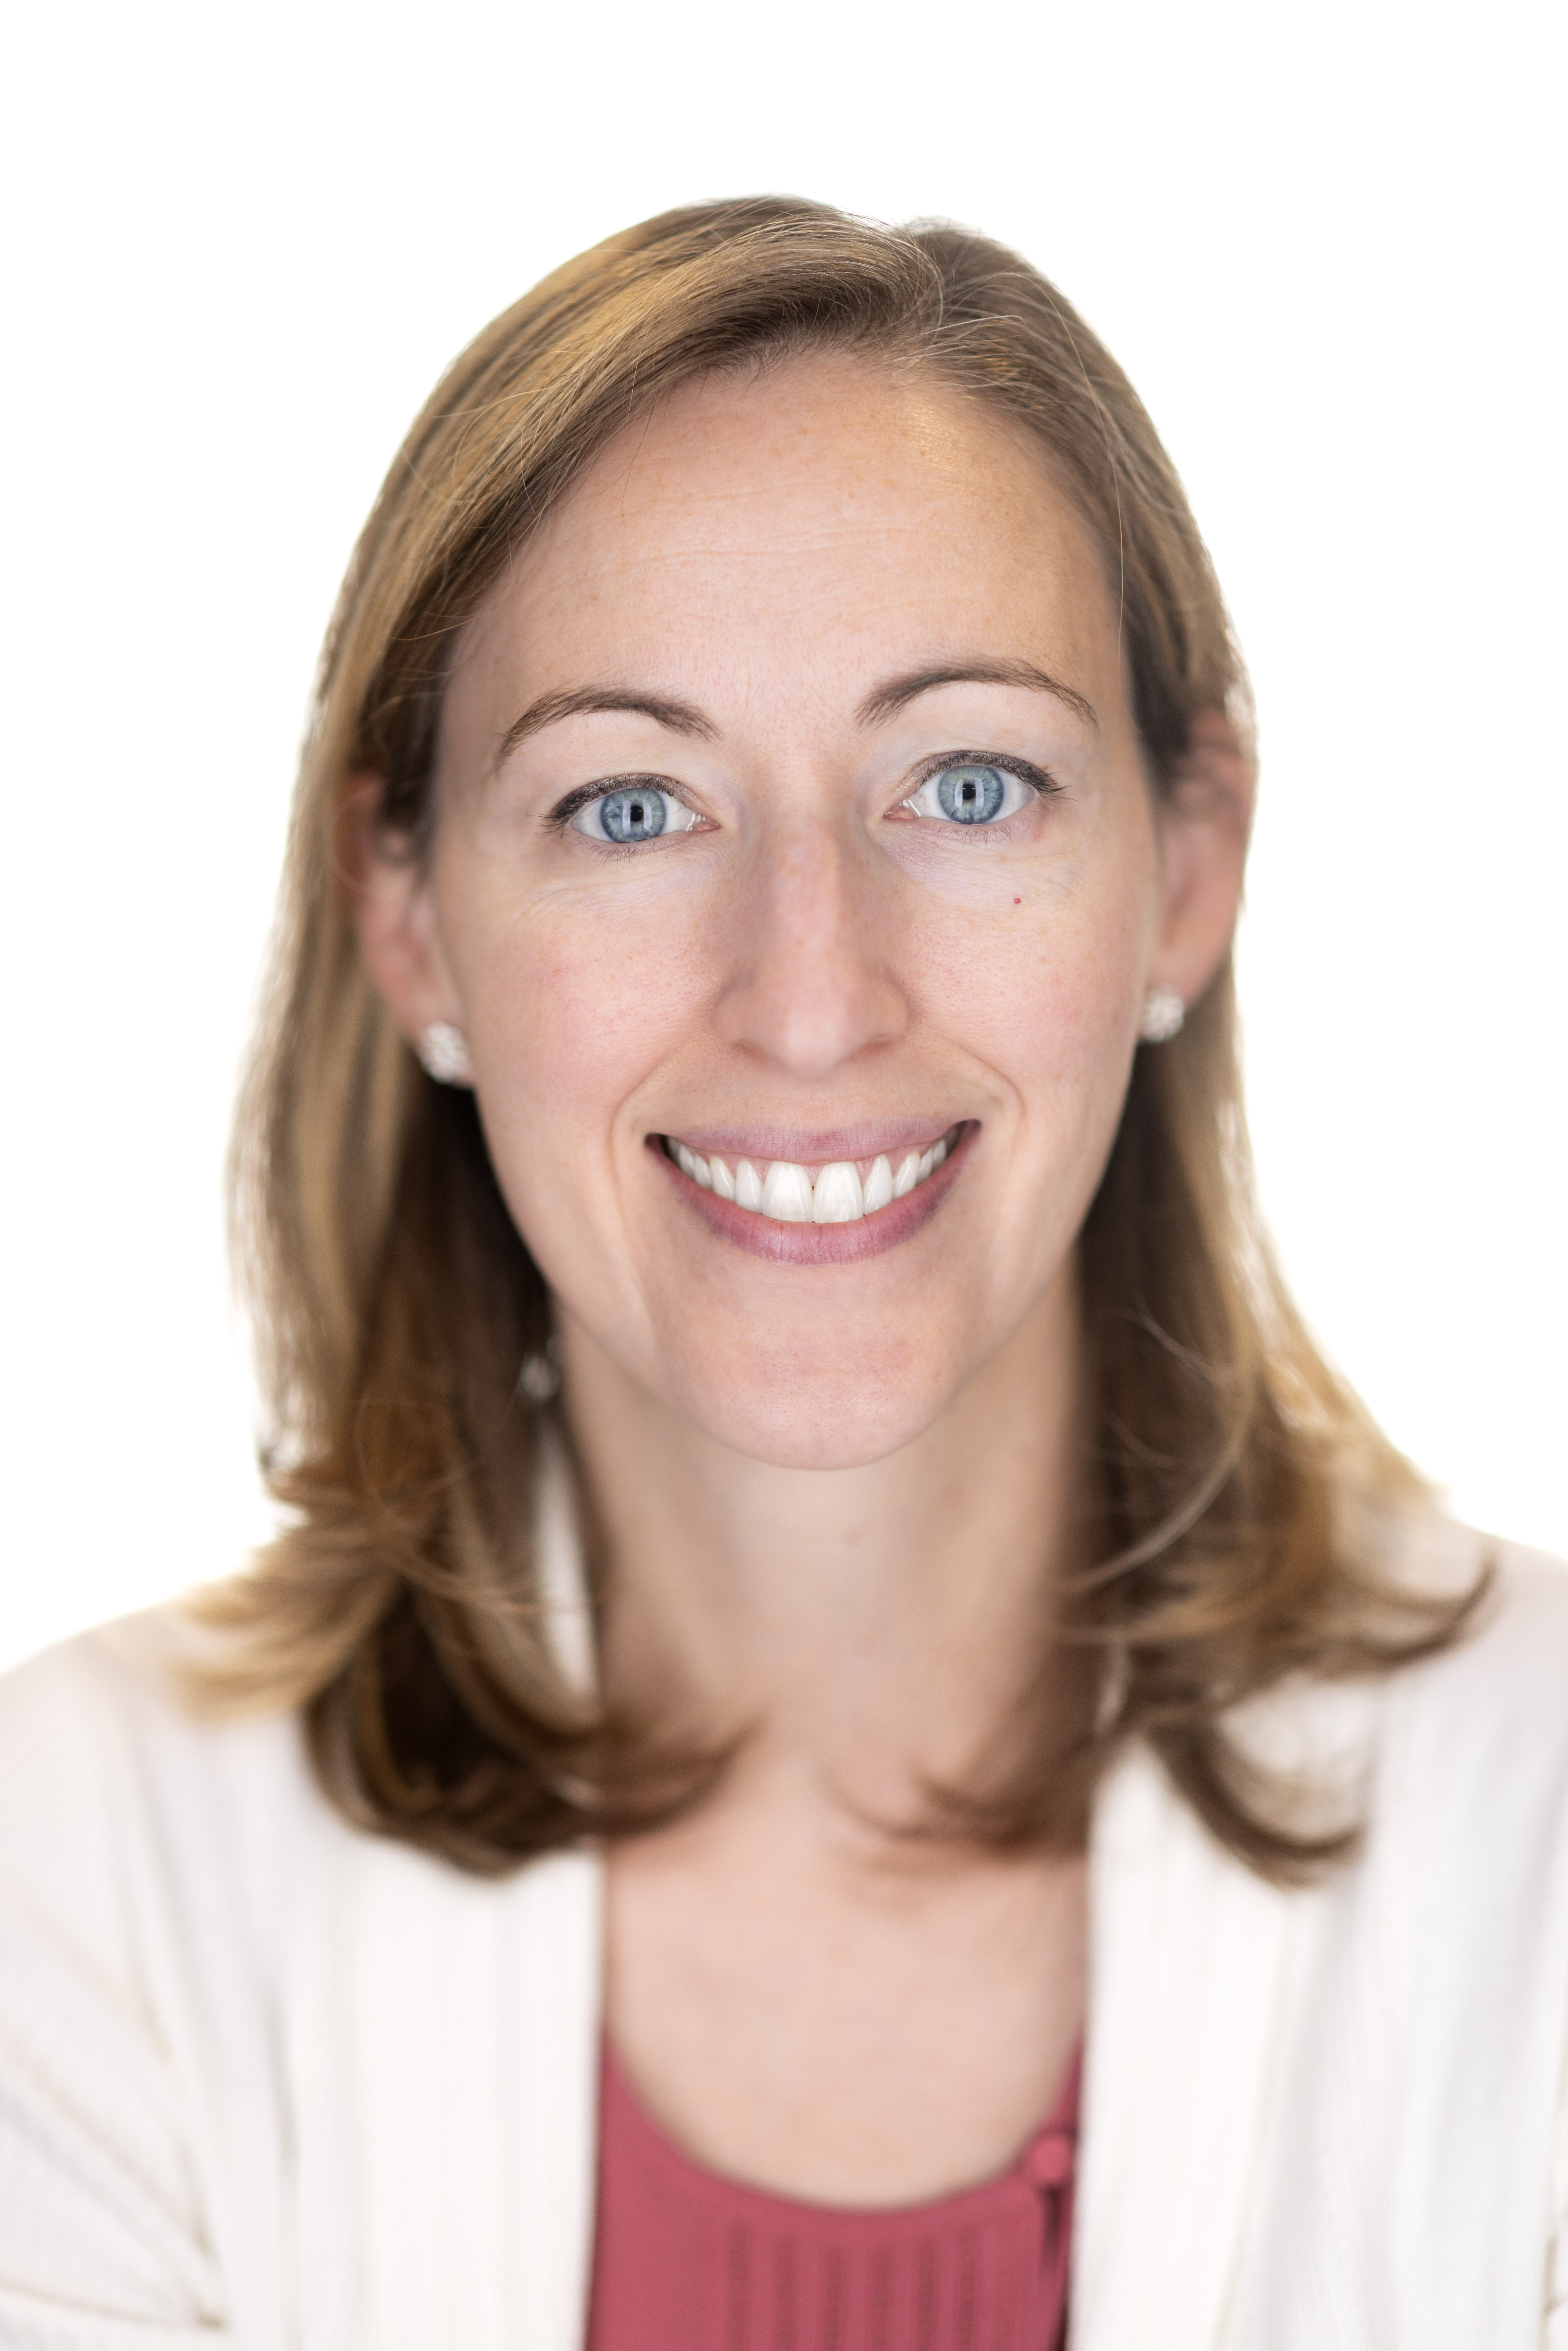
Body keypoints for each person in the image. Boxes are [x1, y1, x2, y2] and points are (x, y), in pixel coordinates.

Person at [1, 196, 1565, 2351]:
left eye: (970, 781)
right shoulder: (69, 1876)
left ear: (1189, 870)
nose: (811, 999)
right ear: (410, 914)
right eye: (632, 809)